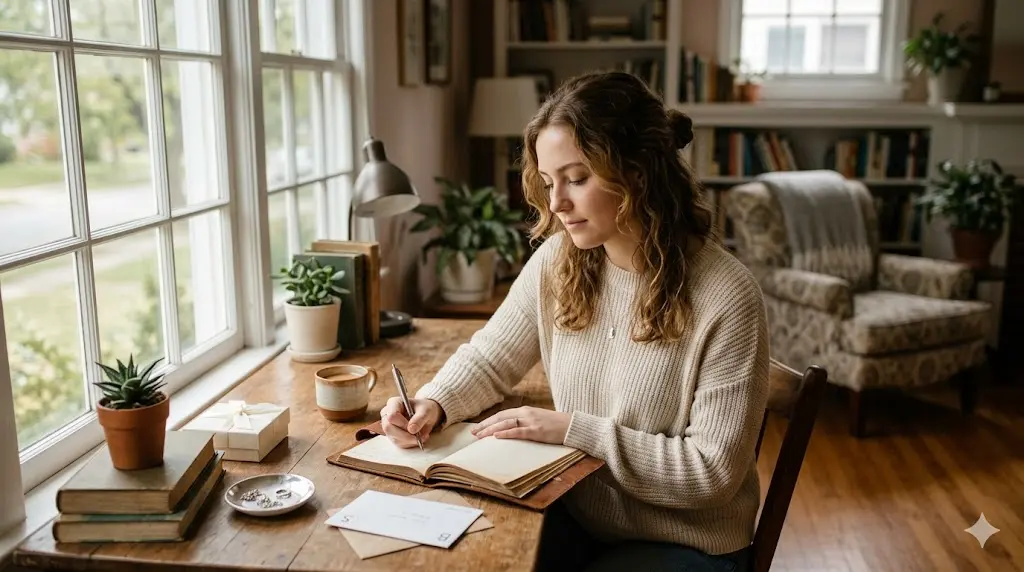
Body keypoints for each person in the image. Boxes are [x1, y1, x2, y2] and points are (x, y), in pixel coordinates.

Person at [379, 71, 768, 571]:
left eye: (577, 178)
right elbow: (491, 357)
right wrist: (433, 403)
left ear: (638, 172)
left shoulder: (727, 296)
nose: (557, 202)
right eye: (547, 182)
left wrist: (573, 431)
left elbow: (711, 473)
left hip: (686, 543)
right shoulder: (559, 260)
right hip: (577, 513)